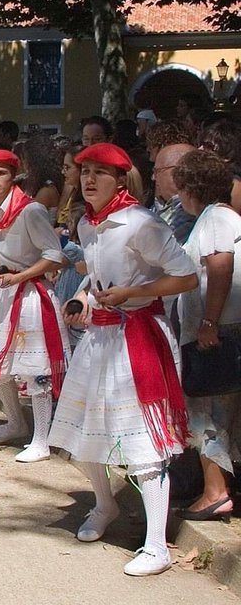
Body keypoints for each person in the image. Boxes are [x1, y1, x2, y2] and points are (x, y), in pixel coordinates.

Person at [50, 142, 197, 577]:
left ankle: (157, 546)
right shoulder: (87, 225)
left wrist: (132, 294)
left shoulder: (140, 223)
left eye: (100, 172)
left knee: (143, 446)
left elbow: (186, 275)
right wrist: (80, 299)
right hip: (99, 339)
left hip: (138, 340)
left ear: (120, 178)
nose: (89, 179)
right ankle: (105, 504)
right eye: (85, 171)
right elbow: (95, 280)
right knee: (78, 433)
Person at [0, 150, 69, 462]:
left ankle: (41, 439)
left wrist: (21, 275)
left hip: (30, 296)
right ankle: (15, 421)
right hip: (5, 292)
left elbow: (55, 255)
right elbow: (0, 250)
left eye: (1, 173)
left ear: (13, 176)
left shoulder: (31, 210)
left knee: (35, 371)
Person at [174, 150, 241, 522]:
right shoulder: (219, 217)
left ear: (190, 186)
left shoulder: (214, 218)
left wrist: (209, 322)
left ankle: (215, 492)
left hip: (218, 333)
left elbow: (219, 265)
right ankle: (220, 488)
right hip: (223, 329)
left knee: (206, 412)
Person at [151, 143, 196, 244]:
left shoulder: (192, 210)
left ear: (179, 171)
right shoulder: (156, 206)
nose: (153, 177)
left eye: (157, 171)